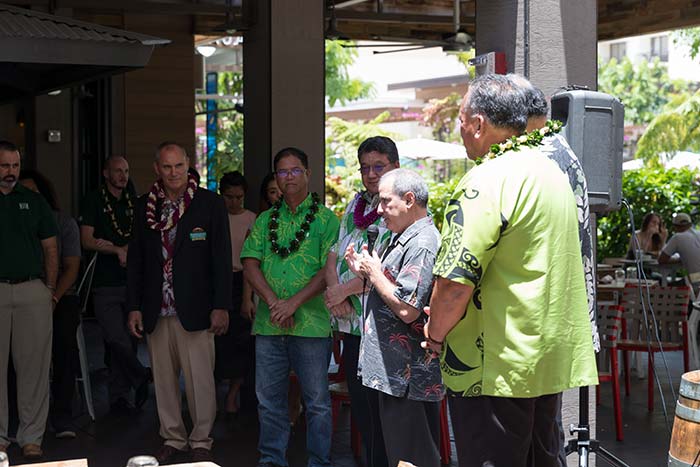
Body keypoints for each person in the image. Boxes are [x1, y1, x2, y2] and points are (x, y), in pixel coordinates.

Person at [422, 74, 598, 467]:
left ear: (479, 124)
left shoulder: (486, 179)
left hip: (494, 365)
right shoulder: (552, 172)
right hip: (542, 358)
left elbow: (453, 284)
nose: (460, 128)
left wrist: (434, 335)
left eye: (462, 118)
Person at [127, 141, 232, 464]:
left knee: (200, 378)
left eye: (179, 166)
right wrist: (133, 306)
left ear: (188, 165)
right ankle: (173, 436)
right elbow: (136, 261)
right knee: (164, 380)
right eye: (167, 167)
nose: (173, 173)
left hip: (197, 307)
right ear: (157, 168)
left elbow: (221, 257)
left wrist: (221, 305)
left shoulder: (208, 204)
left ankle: (201, 438)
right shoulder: (145, 205)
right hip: (156, 308)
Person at [242, 147, 339, 467]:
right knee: (269, 401)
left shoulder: (326, 221)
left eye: (295, 170)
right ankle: (271, 460)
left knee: (317, 403)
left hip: (311, 324)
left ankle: (319, 462)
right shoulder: (265, 220)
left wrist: (293, 303)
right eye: (282, 172)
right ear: (276, 179)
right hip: (269, 324)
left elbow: (329, 270)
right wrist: (273, 302)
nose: (289, 177)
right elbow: (250, 262)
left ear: (308, 174)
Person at [344, 168, 443, 467]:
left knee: (411, 460)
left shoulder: (423, 242)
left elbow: (407, 308)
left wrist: (374, 274)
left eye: (386, 202)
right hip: (393, 375)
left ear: (410, 199)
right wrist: (366, 271)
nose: (378, 210)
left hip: (408, 377)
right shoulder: (404, 236)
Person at [323, 136, 399, 467]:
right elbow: (333, 255)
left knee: (384, 418)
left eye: (378, 166)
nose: (370, 174)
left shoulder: (400, 206)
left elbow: (390, 268)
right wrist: (334, 292)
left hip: (381, 328)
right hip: (351, 326)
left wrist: (344, 290)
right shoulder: (356, 206)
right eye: (365, 167)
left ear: (395, 166)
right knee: (363, 414)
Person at [0, 141, 58, 460]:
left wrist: (48, 288)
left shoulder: (35, 202)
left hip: (31, 288)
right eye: (5, 166)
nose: (11, 172)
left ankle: (32, 436)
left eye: (15, 166)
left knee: (34, 367)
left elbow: (51, 248)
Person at [79, 155, 150, 414]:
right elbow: (86, 240)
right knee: (114, 337)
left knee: (130, 340)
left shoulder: (136, 201)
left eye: (126, 171)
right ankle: (141, 374)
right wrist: (117, 250)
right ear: (105, 173)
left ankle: (119, 398)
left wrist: (131, 250)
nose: (123, 176)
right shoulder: (94, 200)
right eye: (117, 171)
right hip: (105, 281)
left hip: (132, 281)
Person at [19, 170, 81, 440]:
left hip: (61, 296)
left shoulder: (62, 222)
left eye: (34, 192)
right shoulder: (11, 220)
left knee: (64, 344)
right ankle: (17, 417)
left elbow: (72, 267)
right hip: (23, 295)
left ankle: (62, 414)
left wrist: (52, 297)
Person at [217, 171, 256, 425]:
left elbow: (252, 261)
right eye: (229, 197)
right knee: (218, 342)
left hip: (243, 280)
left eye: (239, 197)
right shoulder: (215, 216)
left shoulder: (252, 219)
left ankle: (233, 395)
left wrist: (247, 297)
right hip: (218, 281)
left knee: (241, 342)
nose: (234, 202)